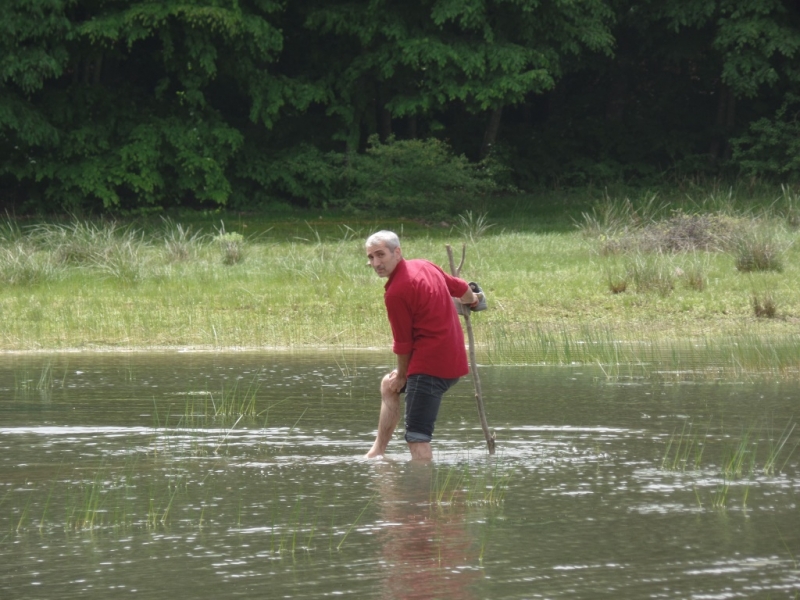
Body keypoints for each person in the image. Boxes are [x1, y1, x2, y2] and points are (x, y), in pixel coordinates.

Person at [364, 230, 483, 461]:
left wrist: (402, 374)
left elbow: (403, 344)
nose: (376, 263)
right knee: (388, 386)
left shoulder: (396, 292)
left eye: (380, 255)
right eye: (370, 257)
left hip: (430, 368)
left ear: (397, 252)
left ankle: (421, 495)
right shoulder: (424, 265)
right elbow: (459, 288)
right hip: (453, 361)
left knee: (417, 438)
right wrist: (474, 299)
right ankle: (377, 453)